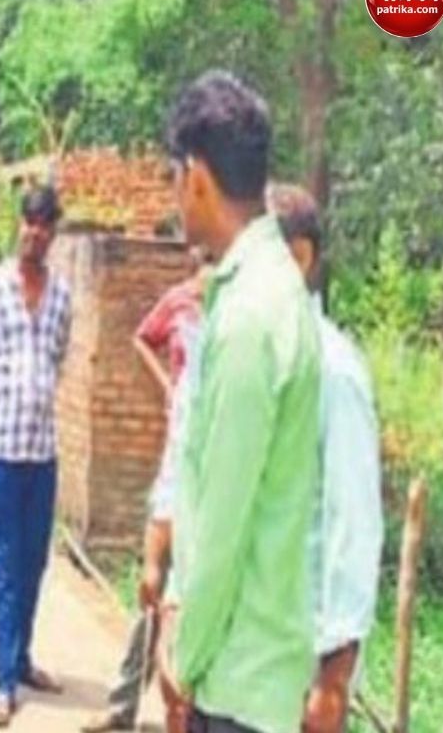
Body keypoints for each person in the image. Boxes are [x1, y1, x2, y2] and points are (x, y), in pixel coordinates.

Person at [156, 71, 321, 733]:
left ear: (196, 176)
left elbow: (223, 517)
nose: (173, 196)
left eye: (173, 177)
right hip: (253, 671)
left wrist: (184, 657)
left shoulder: (251, 314)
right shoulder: (268, 289)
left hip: (235, 681)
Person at [267, 184, 384, 733]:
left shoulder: (333, 372)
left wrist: (333, 679)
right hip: (248, 657)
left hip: (300, 662)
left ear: (299, 258)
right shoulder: (256, 359)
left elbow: (353, 526)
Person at [85, 253, 208, 733]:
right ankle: (124, 704)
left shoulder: (233, 323)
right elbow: (142, 338)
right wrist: (166, 387)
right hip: (180, 463)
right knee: (153, 591)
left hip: (212, 483)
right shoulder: (180, 305)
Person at [0, 186, 71, 727]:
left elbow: (58, 358)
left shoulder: (62, 296)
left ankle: (22, 658)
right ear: (19, 224)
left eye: (45, 225)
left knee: (33, 565)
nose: (35, 232)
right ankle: (2, 682)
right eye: (29, 222)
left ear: (54, 231)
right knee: (3, 569)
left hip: (42, 455)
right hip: (2, 455)